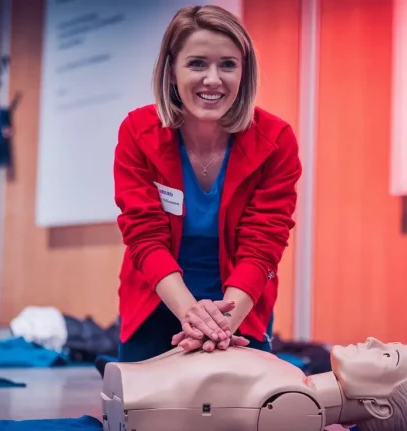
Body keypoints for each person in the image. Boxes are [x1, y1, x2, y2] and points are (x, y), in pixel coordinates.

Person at [113, 5, 302, 362]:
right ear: (171, 70)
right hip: (157, 301)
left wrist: (221, 325)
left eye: (228, 64)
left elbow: (263, 244)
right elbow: (144, 235)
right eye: (197, 63)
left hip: (238, 308)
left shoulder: (276, 141)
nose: (213, 79)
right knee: (148, 415)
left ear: (244, 73)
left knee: (241, 416)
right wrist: (191, 314)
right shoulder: (137, 133)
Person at [101, 337, 407, 431]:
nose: (373, 341)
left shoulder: (296, 405)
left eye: (388, 357)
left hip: (134, 402)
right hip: (132, 383)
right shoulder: (293, 379)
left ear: (378, 406)